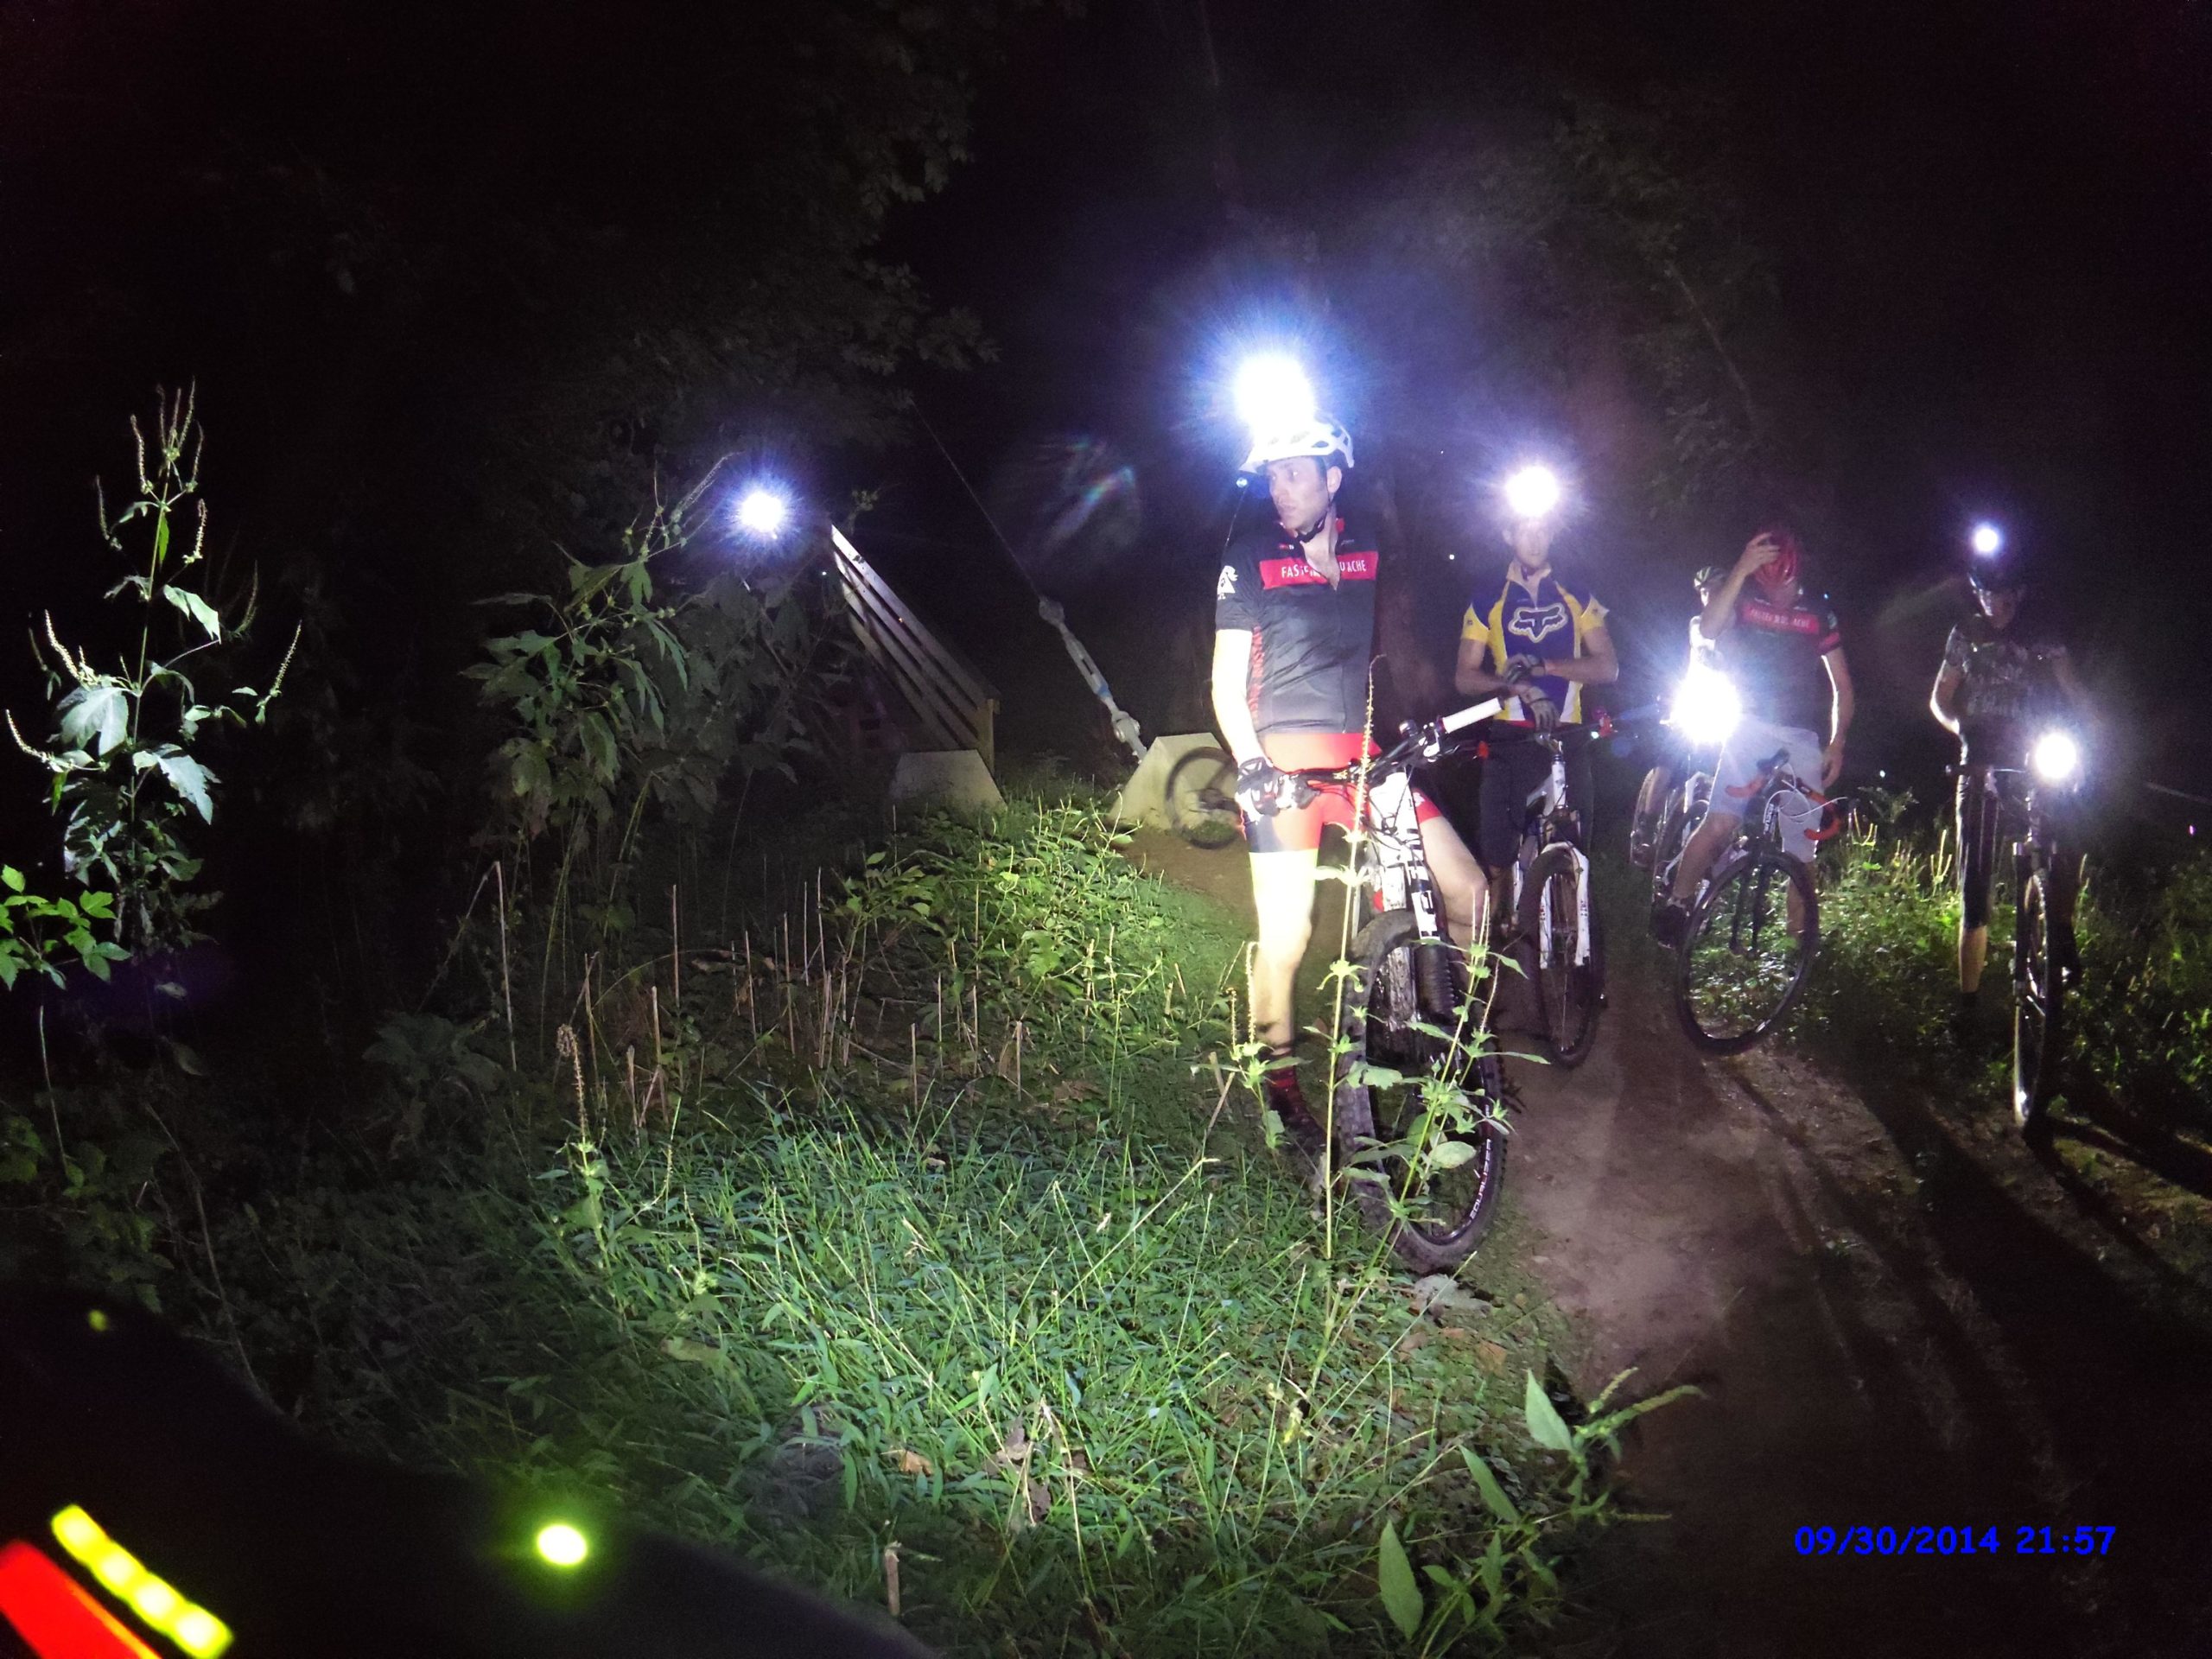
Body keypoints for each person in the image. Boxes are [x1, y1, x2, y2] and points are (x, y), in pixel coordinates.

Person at [1211, 416, 1489, 1154]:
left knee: (1467, 891)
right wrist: (1254, 764)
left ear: (1333, 479)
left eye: (1295, 472)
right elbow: (1224, 684)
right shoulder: (1249, 559)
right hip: (1284, 762)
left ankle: (1451, 1047)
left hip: (1359, 757)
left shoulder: (1367, 553)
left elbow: (1395, 641)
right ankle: (1277, 1088)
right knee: (1287, 933)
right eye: (1271, 476)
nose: (1280, 488)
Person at [1656, 524, 1853, 939]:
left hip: (1800, 735)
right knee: (1721, 824)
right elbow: (1709, 629)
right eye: (1770, 585)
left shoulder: (1818, 613)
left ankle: (1797, 951)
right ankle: (1677, 902)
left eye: (1787, 583)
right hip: (1750, 725)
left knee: (1802, 854)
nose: (1779, 594)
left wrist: (1838, 741)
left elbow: (1843, 686)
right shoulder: (1745, 599)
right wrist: (1742, 570)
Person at [1928, 530, 2088, 1031]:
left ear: (2019, 595)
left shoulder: (2041, 635)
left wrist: (2096, 732)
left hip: (2031, 753)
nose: (1995, 604)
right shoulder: (1964, 634)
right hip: (1979, 759)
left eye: (2004, 595)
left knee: (2068, 835)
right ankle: (1968, 1006)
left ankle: (2058, 930)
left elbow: (2074, 689)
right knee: (1976, 886)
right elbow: (1940, 697)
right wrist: (1961, 730)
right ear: (1976, 593)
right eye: (1985, 594)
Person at [1452, 469, 1618, 907]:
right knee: (1497, 852)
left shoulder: (1578, 594)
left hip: (1568, 735)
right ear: (1509, 533)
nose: (1536, 537)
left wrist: (1549, 666)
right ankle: (1501, 932)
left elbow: (1608, 667)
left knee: (1575, 845)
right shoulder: (1489, 596)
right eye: (1526, 527)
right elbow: (1465, 675)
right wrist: (1513, 689)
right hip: (1511, 737)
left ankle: (1571, 942)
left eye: (1544, 527)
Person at [1629, 564, 1723, 869]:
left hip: (1726, 705)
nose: (1710, 595)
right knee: (1668, 758)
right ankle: (1646, 826)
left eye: (1716, 588)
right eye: (1705, 591)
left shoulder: (1739, 624)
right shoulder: (1696, 624)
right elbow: (1690, 664)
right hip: (1696, 701)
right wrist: (1676, 695)